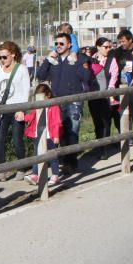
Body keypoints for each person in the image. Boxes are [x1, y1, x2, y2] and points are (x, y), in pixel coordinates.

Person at [36, 33, 91, 175]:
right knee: (58, 133)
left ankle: (71, 163)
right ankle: (60, 161)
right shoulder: (54, 61)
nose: (58, 46)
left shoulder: (78, 59)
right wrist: (48, 60)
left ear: (69, 45)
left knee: (72, 132)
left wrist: (76, 62)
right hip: (56, 101)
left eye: (61, 43)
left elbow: (86, 77)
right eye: (57, 44)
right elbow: (40, 76)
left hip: (74, 101)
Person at [0, 41, 31, 181]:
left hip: (17, 108)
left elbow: (26, 91)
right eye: (0, 57)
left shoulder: (22, 69)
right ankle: (1, 171)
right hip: (2, 109)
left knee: (17, 139)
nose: (2, 60)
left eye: (5, 57)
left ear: (13, 55)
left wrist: (22, 110)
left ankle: (21, 168)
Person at [24, 83, 63, 186]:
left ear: (48, 95)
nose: (39, 100)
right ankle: (35, 175)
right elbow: (31, 117)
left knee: (52, 156)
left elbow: (57, 122)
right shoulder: (37, 106)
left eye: (42, 97)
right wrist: (23, 117)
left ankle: (55, 175)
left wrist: (56, 136)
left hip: (50, 136)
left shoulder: (54, 107)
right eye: (37, 98)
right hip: (39, 134)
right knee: (37, 154)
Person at [88, 37, 121, 156]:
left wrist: (110, 90)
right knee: (97, 122)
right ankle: (99, 146)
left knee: (106, 121)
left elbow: (114, 76)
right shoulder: (90, 60)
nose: (108, 49)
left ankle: (104, 148)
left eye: (109, 47)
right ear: (98, 47)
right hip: (93, 96)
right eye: (105, 47)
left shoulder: (112, 60)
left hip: (107, 96)